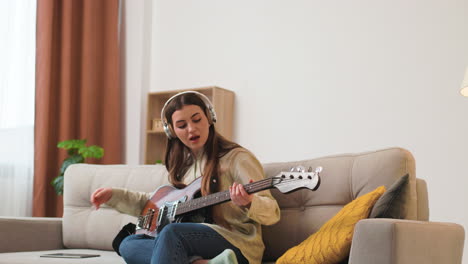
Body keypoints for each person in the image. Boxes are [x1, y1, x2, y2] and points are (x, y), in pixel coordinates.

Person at [90, 91, 280, 264]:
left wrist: (249, 203)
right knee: (128, 244)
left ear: (209, 118)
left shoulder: (238, 158)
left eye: (197, 120)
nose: (191, 129)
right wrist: (112, 195)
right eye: (182, 125)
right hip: (191, 242)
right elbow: (155, 205)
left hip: (238, 244)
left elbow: (272, 212)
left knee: (171, 233)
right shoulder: (184, 167)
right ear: (172, 131)